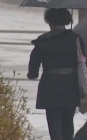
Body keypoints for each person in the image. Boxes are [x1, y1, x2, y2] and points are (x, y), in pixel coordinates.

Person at [27, 8, 83, 140]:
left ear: (49, 22)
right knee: (68, 120)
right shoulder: (75, 39)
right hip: (71, 84)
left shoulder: (43, 41)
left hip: (50, 85)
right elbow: (84, 59)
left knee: (54, 122)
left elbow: (34, 62)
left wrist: (32, 74)